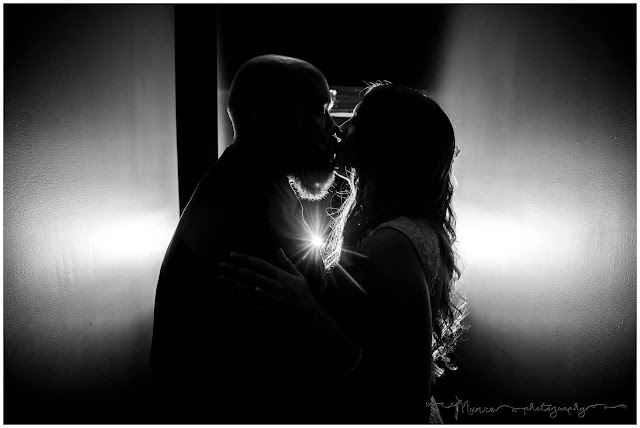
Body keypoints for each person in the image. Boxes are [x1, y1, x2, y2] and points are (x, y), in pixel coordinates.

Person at [221, 82, 467, 423]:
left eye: (354, 120)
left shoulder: (392, 242)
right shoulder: (395, 225)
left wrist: (306, 310)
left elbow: (410, 399)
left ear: (382, 141)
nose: (339, 130)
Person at [149, 55, 343, 423]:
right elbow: (293, 352)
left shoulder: (254, 183)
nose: (333, 130)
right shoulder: (246, 201)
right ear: (262, 114)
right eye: (320, 112)